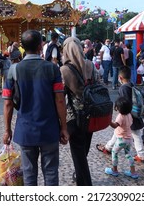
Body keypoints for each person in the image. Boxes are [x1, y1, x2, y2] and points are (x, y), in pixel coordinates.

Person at [2, 30, 69, 186]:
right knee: (51, 171)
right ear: (41, 46)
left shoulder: (13, 70)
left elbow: (7, 103)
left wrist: (7, 130)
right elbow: (60, 100)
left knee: (29, 173)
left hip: (25, 130)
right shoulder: (52, 69)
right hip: (49, 129)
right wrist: (64, 127)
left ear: (23, 47)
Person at [60, 37, 99, 186]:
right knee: (84, 150)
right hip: (92, 113)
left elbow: (61, 96)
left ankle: (84, 184)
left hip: (74, 118)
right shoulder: (90, 64)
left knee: (78, 153)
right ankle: (80, 176)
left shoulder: (64, 70)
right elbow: (98, 83)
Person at [96, 66, 144, 163]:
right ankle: (108, 147)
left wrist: (119, 111)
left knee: (135, 135)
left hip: (128, 115)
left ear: (120, 77)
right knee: (119, 132)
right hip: (134, 114)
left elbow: (123, 102)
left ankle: (141, 155)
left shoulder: (123, 88)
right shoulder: (132, 85)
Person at [104, 96, 139, 179]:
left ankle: (114, 170)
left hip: (121, 140)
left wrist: (108, 121)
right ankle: (133, 172)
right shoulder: (129, 115)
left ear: (119, 108)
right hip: (129, 139)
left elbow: (115, 125)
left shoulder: (120, 116)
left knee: (114, 153)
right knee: (128, 155)